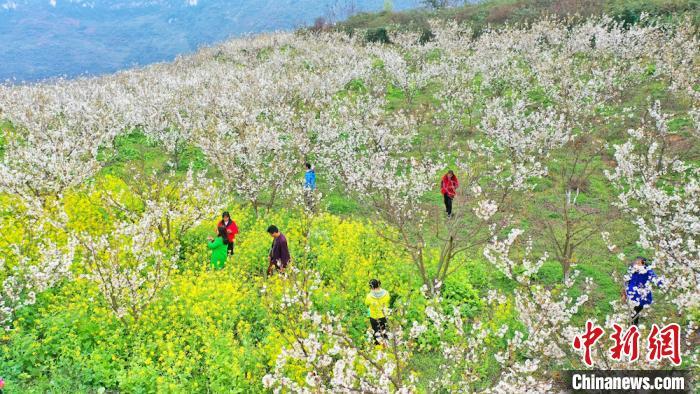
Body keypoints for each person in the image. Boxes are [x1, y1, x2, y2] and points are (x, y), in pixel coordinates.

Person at [623, 256, 662, 326]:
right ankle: (632, 324)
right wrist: (624, 293)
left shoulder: (647, 270)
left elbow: (655, 279)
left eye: (638, 262)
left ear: (643, 263)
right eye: (636, 261)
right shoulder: (631, 269)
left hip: (641, 295)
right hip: (631, 293)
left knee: (637, 310)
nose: (636, 263)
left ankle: (634, 325)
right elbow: (626, 280)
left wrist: (663, 284)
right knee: (631, 310)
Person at [364, 279, 390, 345]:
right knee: (384, 332)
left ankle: (378, 348)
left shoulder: (369, 296)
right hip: (384, 316)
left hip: (374, 317)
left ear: (370, 287)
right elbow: (388, 301)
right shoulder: (386, 293)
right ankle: (386, 347)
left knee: (376, 334)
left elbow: (366, 304)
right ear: (378, 284)